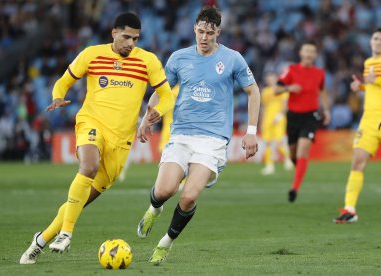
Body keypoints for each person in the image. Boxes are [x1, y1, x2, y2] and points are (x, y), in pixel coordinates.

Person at [19, 12, 174, 264]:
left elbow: (167, 95)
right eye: (126, 37)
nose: (130, 43)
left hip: (121, 142)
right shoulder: (92, 54)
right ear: (113, 32)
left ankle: (41, 240)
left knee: (78, 202)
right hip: (92, 123)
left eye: (135, 38)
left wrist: (158, 110)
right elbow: (63, 81)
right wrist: (57, 97)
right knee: (88, 166)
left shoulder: (148, 61)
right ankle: (67, 233)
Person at [135, 6, 260, 265]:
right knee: (164, 190)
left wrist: (251, 132)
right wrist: (147, 117)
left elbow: (253, 92)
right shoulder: (179, 58)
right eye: (201, 31)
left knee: (189, 196)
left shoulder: (233, 58)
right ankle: (154, 209)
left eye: (210, 33)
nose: (204, 38)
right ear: (194, 29)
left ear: (218, 33)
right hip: (181, 134)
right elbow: (162, 90)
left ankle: (165, 242)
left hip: (213, 140)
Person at [333, 28, 381, 224]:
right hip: (369, 119)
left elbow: (376, 82)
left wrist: (375, 81)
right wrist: (360, 86)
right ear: (370, 42)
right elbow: (372, 87)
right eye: (376, 38)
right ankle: (350, 209)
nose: (378, 42)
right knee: (358, 160)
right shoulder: (369, 62)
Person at [275, 42, 331, 203]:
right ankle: (298, 170)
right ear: (301, 52)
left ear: (315, 55)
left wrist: (326, 110)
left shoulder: (320, 73)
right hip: (293, 117)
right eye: (306, 50)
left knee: (303, 150)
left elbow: (322, 91)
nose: (309, 53)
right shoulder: (291, 70)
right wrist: (289, 88)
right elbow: (276, 90)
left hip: (311, 117)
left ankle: (294, 188)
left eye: (312, 51)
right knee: (293, 154)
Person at [260, 72, 293, 175]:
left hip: (279, 119)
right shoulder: (265, 91)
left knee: (279, 142)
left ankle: (288, 159)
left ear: (276, 78)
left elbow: (285, 105)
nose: (269, 80)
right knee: (267, 143)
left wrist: (279, 116)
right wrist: (261, 121)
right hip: (267, 120)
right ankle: (269, 166)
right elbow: (264, 107)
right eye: (268, 78)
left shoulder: (282, 89)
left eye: (271, 78)